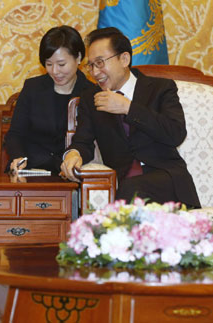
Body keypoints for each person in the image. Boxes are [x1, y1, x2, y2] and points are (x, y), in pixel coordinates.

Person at [60, 27, 200, 208]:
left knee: (131, 190)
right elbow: (83, 141)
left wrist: (128, 108)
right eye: (91, 65)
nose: (95, 73)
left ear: (124, 59)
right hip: (125, 182)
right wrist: (73, 154)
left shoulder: (161, 88)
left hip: (167, 179)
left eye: (100, 63)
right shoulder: (91, 98)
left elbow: (175, 133)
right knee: (130, 189)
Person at [3, 25, 94, 175]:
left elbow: (89, 141)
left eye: (61, 64)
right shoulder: (33, 88)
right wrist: (18, 156)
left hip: (71, 172)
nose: (55, 71)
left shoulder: (90, 93)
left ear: (78, 58)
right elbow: (15, 134)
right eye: (49, 64)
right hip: (31, 169)